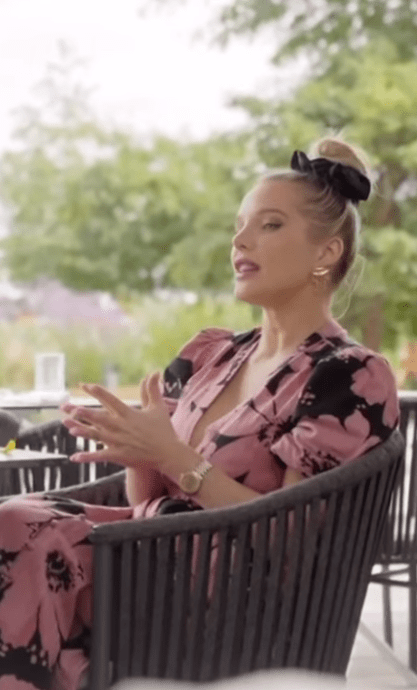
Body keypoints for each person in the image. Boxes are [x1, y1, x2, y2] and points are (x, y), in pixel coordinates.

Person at [0, 138, 399, 690]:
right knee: (11, 516)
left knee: (19, 531)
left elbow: (288, 539)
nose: (240, 240)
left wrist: (172, 453)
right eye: (240, 224)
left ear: (326, 253)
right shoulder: (209, 353)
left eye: (270, 225)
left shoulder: (349, 374)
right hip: (146, 558)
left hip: (235, 601)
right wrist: (139, 450)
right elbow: (145, 500)